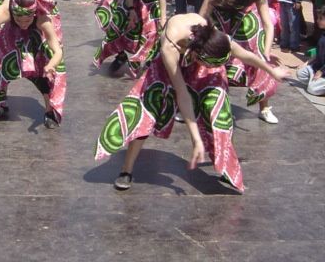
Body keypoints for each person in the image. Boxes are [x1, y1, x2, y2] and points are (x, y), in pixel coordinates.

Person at [95, 13, 288, 192]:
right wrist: (195, 139)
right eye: (211, 64)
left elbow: (244, 54)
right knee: (147, 110)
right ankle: (126, 170)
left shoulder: (212, 36)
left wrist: (271, 71)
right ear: (197, 56)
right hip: (169, 64)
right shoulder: (170, 47)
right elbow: (183, 94)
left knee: (219, 109)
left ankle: (226, 167)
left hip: (197, 56)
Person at [200, 0, 280, 123]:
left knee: (260, 58)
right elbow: (203, 15)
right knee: (218, 61)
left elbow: (268, 24)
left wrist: (266, 52)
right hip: (221, 16)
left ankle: (264, 107)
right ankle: (218, 104)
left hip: (247, 22)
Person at [296, 6, 325, 95]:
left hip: (322, 71)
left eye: (321, 19)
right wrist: (307, 63)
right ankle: (317, 83)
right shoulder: (322, 34)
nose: (317, 21)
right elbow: (318, 53)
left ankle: (317, 84)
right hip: (317, 67)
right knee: (300, 73)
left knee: (312, 89)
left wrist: (322, 71)